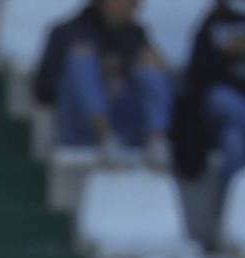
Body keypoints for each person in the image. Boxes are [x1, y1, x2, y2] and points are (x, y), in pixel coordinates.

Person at [33, 0, 173, 162]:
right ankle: (106, 137)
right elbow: (43, 90)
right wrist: (96, 72)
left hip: (126, 118)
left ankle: (157, 139)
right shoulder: (66, 32)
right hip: (81, 124)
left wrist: (125, 67)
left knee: (150, 64)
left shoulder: (136, 33)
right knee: (81, 60)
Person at [173, 0, 245, 186]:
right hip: (220, 110)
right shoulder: (215, 19)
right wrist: (226, 53)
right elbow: (196, 73)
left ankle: (234, 202)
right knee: (220, 97)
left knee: (235, 138)